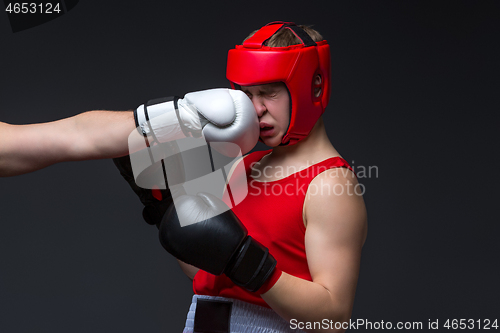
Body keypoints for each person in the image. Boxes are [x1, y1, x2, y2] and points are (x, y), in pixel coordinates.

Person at [0, 21, 367, 333]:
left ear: (313, 88)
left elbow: (333, 318)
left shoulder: (330, 186)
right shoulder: (245, 163)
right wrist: (168, 209)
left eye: (268, 93)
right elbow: (209, 272)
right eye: (248, 93)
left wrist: (251, 265)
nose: (255, 109)